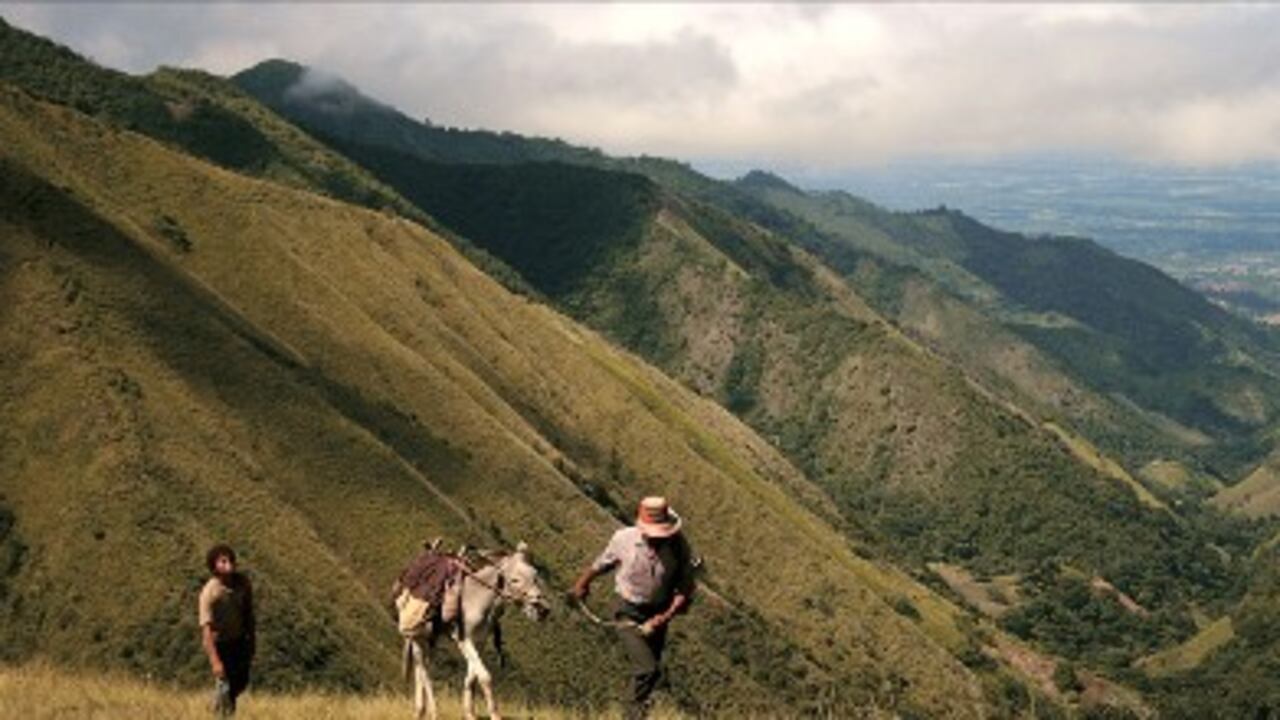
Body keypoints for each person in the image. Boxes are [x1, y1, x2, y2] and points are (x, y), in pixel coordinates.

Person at [572, 497, 696, 720]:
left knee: (651, 672)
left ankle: (636, 713)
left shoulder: (678, 545)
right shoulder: (624, 539)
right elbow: (603, 562)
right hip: (626, 610)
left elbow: (685, 588)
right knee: (648, 668)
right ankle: (632, 716)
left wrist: (664, 617)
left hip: (658, 613)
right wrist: (582, 583)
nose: (657, 539)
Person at [199, 544, 255, 716]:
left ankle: (217, 706)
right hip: (220, 643)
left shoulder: (243, 583)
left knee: (241, 681)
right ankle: (221, 714)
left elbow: (248, 612)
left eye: (230, 559)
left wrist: (252, 639)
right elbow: (206, 630)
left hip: (238, 641)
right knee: (225, 684)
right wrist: (215, 661)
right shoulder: (210, 592)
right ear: (214, 566)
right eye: (222, 561)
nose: (228, 563)